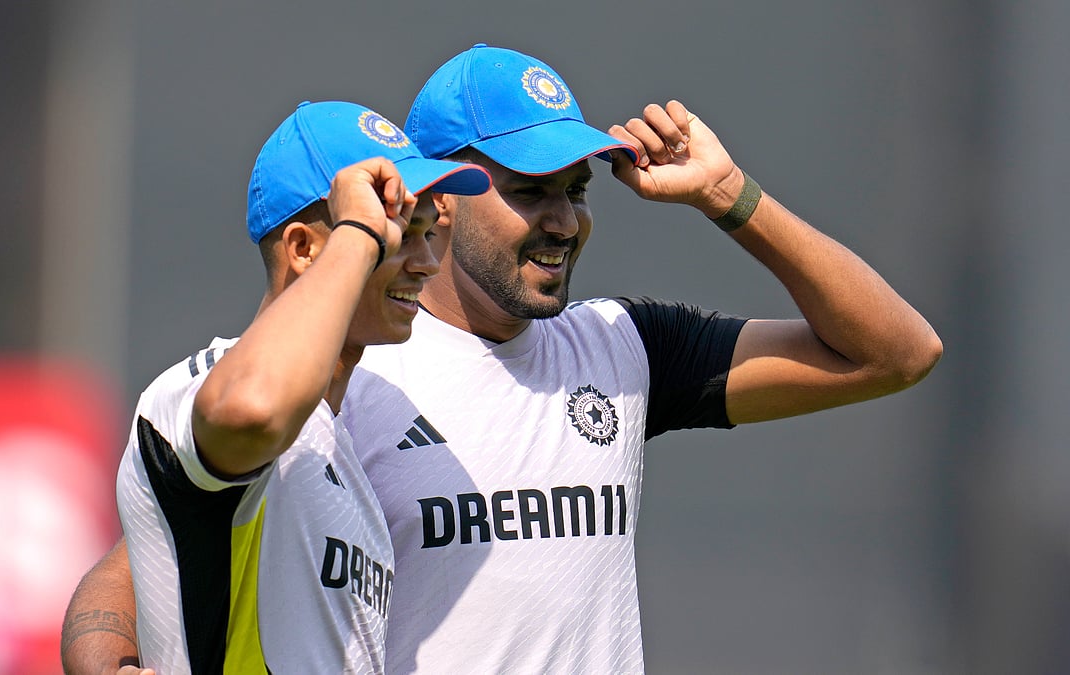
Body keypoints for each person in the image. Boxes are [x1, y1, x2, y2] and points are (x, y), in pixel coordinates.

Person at [64, 45, 942, 674]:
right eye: (530, 190)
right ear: (440, 198)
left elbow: (896, 353)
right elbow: (149, 558)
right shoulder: (337, 372)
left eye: (577, 189)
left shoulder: (622, 348)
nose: (563, 218)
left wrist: (728, 197)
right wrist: (106, 656)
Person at [87, 100, 489, 674]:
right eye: (396, 233)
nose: (426, 263)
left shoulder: (344, 438)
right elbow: (252, 411)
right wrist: (356, 233)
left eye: (427, 233)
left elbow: (126, 569)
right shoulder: (202, 384)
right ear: (304, 249)